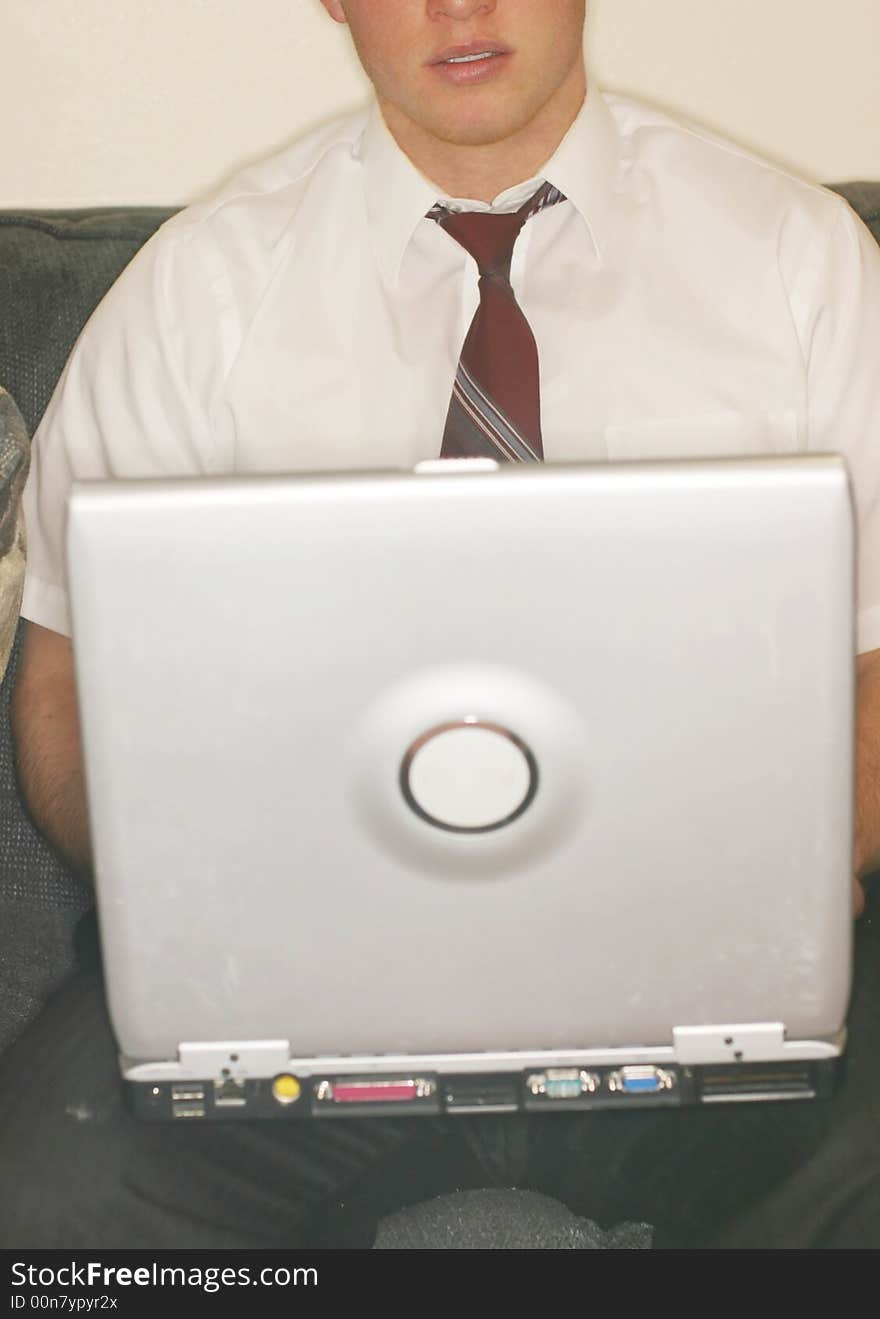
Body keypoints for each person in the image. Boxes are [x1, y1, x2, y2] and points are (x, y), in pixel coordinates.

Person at [2, 0, 880, 1249]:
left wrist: (774, 885)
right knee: (40, 1199)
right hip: (292, 1007)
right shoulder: (198, 290)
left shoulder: (801, 260)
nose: (455, 6)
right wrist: (198, 911)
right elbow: (61, 677)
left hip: (708, 1001)